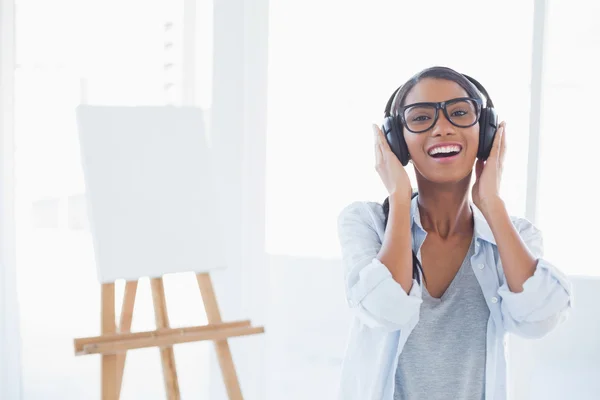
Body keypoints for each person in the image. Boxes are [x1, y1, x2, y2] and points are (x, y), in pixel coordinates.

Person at [336, 66, 572, 400]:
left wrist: (491, 203)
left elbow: (541, 318)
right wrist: (399, 197)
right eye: (420, 118)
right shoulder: (367, 223)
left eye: (459, 113)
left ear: (486, 132)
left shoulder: (513, 234)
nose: (442, 129)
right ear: (396, 141)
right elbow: (385, 309)